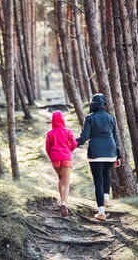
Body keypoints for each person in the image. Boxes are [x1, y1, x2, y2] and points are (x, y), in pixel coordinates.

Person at [76, 93, 121, 221]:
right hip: (110, 150)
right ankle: (106, 198)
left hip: (95, 151)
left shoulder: (89, 118)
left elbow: (84, 137)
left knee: (98, 181)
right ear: (104, 104)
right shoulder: (111, 118)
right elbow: (116, 138)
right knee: (106, 173)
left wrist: (73, 143)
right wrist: (118, 155)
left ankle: (101, 212)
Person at [46, 110, 78, 217]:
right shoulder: (68, 131)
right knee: (66, 182)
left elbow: (48, 148)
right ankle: (64, 203)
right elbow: (73, 144)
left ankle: (61, 200)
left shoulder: (50, 133)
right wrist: (69, 151)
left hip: (55, 158)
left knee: (60, 178)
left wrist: (52, 157)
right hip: (66, 157)